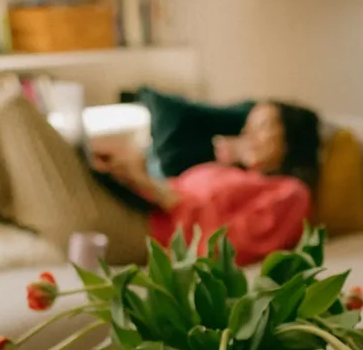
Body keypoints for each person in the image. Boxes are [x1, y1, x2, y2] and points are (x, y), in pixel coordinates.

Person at [91, 101, 320, 266]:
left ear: (291, 136)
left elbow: (228, 248)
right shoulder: (233, 172)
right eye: (247, 127)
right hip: (134, 204)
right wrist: (132, 173)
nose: (248, 134)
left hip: (148, 234)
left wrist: (164, 196)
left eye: (262, 126)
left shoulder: (291, 193)